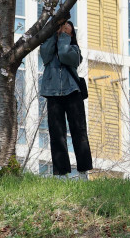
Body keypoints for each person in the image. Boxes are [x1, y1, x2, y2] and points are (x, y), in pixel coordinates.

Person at [39, 20, 93, 179]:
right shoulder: (49, 47)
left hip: (72, 92)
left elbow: (64, 55)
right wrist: (52, 36)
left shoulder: (74, 49)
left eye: (66, 28)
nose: (63, 29)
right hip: (52, 93)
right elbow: (45, 55)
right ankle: (61, 173)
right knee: (57, 134)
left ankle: (83, 171)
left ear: (71, 34)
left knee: (79, 131)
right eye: (60, 27)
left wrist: (63, 38)